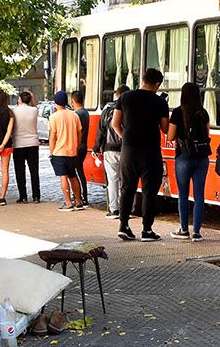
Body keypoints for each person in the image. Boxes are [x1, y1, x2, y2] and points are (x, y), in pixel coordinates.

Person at [114, 69, 170, 241]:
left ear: (143, 79)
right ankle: (147, 230)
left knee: (127, 188)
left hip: (129, 150)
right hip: (151, 151)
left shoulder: (125, 97)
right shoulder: (159, 102)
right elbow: (165, 129)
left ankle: (123, 225)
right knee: (149, 191)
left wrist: (126, 137)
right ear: (157, 84)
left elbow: (115, 124)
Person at [168, 82, 211, 240]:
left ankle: (184, 230)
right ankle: (197, 233)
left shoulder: (179, 112)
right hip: (202, 158)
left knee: (183, 194)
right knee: (199, 195)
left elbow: (170, 136)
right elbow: (206, 135)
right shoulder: (203, 112)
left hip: (183, 158)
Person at [94, 85, 127, 217]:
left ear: (116, 95)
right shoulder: (130, 108)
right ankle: (125, 208)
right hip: (126, 149)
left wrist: (97, 147)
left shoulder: (107, 109)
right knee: (125, 180)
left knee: (112, 179)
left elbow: (101, 130)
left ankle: (114, 209)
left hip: (109, 149)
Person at [48, 91, 84, 211]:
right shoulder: (74, 115)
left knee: (63, 176)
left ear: (55, 103)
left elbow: (53, 136)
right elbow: (80, 133)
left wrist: (51, 151)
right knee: (73, 176)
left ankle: (68, 202)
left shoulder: (54, 117)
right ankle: (79, 201)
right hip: (72, 151)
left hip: (59, 152)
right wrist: (76, 146)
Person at [10, 91, 42, 203]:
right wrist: (31, 98)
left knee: (20, 171)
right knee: (34, 171)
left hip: (18, 143)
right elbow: (34, 105)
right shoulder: (34, 110)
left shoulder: (14, 111)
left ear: (19, 99)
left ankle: (23, 196)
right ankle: (36, 196)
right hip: (33, 143)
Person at [71, 90, 91, 205]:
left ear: (73, 101)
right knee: (80, 171)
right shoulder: (85, 113)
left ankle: (80, 196)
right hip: (84, 145)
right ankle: (83, 195)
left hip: (78, 146)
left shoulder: (77, 115)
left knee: (77, 173)